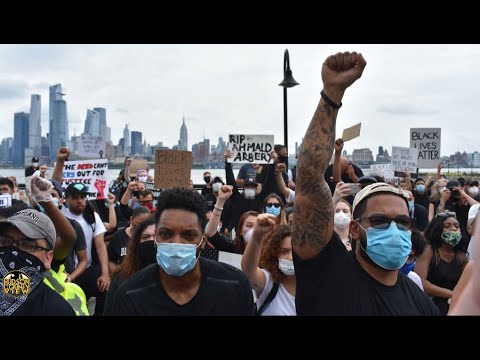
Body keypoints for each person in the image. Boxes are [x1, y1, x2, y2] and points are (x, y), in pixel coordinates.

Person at [292, 51, 439, 315]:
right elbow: (310, 179)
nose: (395, 230)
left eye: (403, 223)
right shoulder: (328, 273)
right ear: (355, 229)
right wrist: (332, 94)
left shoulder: (419, 300)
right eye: (381, 221)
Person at [109, 188, 255, 315]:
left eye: (189, 235)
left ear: (202, 241)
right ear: (155, 239)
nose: (176, 243)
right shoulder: (130, 294)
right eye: (166, 234)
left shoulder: (235, 285)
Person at [0, 209, 75, 315]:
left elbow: (70, 237)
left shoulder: (57, 310)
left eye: (26, 245)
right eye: (5, 241)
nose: (13, 251)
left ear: (48, 258)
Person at [241, 219, 296, 315]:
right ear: (275, 254)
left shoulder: (313, 286)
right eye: (284, 252)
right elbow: (249, 270)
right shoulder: (268, 282)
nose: (290, 258)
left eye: (295, 252)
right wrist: (257, 236)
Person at [104, 217, 157, 314]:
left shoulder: (173, 277)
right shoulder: (121, 278)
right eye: (146, 237)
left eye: (155, 236)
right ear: (137, 243)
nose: (151, 241)